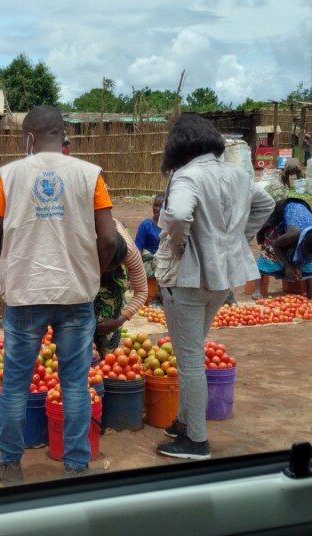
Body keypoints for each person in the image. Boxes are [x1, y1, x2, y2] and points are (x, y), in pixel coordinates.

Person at [0, 105, 118, 483]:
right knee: (75, 384)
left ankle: (10, 463)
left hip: (25, 294)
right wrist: (94, 272)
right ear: (62, 134)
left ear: (28, 137)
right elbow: (109, 239)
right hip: (75, 295)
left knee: (15, 383)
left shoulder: (9, 176)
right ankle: (76, 465)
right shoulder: (90, 175)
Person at [154, 114, 274, 460]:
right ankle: (184, 422)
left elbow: (178, 215)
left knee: (189, 359)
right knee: (191, 352)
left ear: (179, 145)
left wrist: (179, 247)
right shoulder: (236, 174)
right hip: (221, 279)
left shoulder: (186, 175)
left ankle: (196, 441)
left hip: (188, 280)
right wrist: (235, 239)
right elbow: (265, 204)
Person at [95, 219, 148, 353]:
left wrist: (118, 321)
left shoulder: (130, 253)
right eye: (104, 266)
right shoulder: (85, 246)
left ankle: (106, 353)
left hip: (113, 277)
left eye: (111, 267)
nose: (105, 270)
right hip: (92, 255)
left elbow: (142, 291)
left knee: (109, 308)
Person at [252, 198, 312, 299]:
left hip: (298, 220)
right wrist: (287, 266)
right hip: (282, 216)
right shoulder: (293, 233)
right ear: (302, 241)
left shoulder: (308, 240)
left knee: (309, 263)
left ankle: (310, 292)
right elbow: (275, 244)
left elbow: (307, 255)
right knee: (269, 252)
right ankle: (256, 290)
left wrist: (299, 266)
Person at [135, 192, 165, 305]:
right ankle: (156, 297)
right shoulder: (146, 225)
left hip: (165, 260)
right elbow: (137, 249)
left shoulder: (170, 226)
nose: (157, 209)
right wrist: (136, 270)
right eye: (155, 205)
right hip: (149, 261)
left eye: (161, 206)